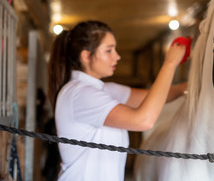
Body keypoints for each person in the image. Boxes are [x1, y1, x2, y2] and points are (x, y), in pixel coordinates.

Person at [48, 20, 187, 181]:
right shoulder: (81, 94)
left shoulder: (105, 90)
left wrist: (190, 86)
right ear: (86, 56)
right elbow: (144, 121)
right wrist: (170, 64)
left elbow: (157, 96)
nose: (117, 56)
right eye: (109, 50)